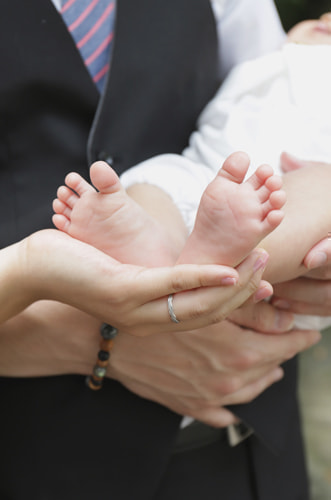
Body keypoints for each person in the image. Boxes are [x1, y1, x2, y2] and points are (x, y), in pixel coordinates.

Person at [0, 1, 323, 500]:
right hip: (29, 447)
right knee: (163, 190)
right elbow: (247, 101)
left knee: (306, 192)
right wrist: (77, 336)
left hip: (234, 448)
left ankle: (200, 261)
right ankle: (184, 259)